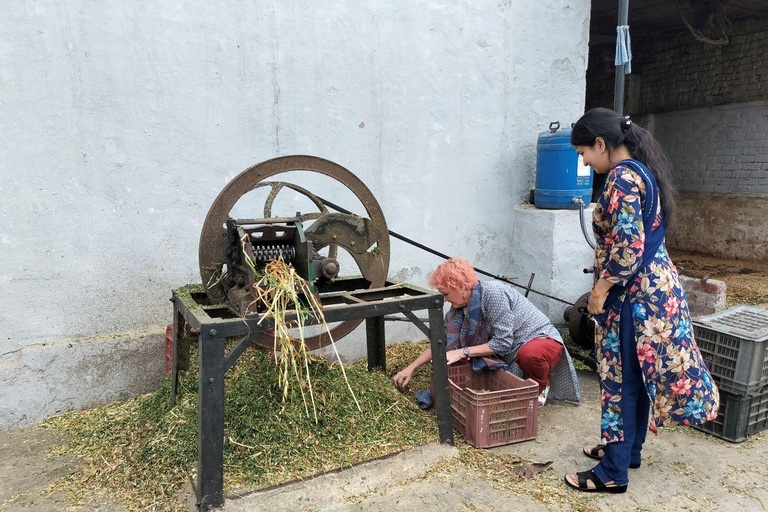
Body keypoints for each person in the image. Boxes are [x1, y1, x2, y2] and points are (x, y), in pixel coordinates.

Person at [563, 108, 719, 493]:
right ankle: (626, 451)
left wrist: (599, 292)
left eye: (584, 152)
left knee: (619, 380)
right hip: (656, 291)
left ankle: (613, 473)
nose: (584, 161)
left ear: (601, 144)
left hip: (634, 297)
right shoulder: (643, 171)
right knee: (636, 376)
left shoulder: (620, 178)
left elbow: (628, 250)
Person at [393, 257, 580, 406]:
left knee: (528, 355)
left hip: (539, 340)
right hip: (510, 348)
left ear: (461, 286)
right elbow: (440, 341)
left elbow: (504, 343)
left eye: (446, 294)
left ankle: (538, 386)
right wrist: (410, 368)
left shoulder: (493, 293)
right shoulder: (459, 309)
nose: (445, 300)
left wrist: (463, 351)